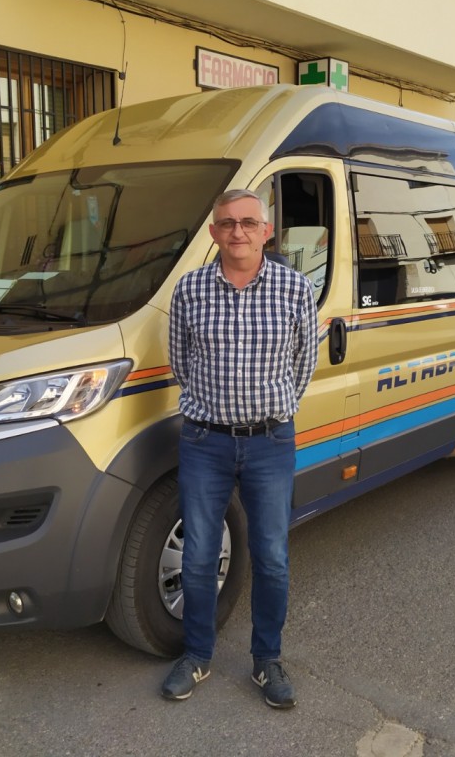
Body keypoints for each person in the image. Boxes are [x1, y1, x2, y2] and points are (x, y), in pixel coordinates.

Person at [161, 189, 319, 709]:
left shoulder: (295, 289)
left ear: (266, 230)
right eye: (227, 224)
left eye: (248, 223)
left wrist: (275, 410)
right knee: (201, 555)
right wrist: (215, 408)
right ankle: (197, 655)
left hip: (271, 441)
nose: (238, 232)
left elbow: (304, 363)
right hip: (205, 440)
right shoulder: (189, 291)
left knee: (271, 556)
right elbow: (181, 362)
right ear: (213, 233)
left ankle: (266, 660)